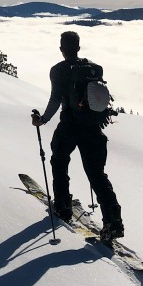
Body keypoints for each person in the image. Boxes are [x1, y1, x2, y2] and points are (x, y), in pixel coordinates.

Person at [31, 30, 124, 241]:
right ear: (78, 48)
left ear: (61, 49)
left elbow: (55, 100)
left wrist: (42, 120)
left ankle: (63, 205)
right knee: (97, 174)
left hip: (69, 126)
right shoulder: (94, 69)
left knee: (59, 161)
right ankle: (113, 222)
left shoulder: (58, 70)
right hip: (93, 128)